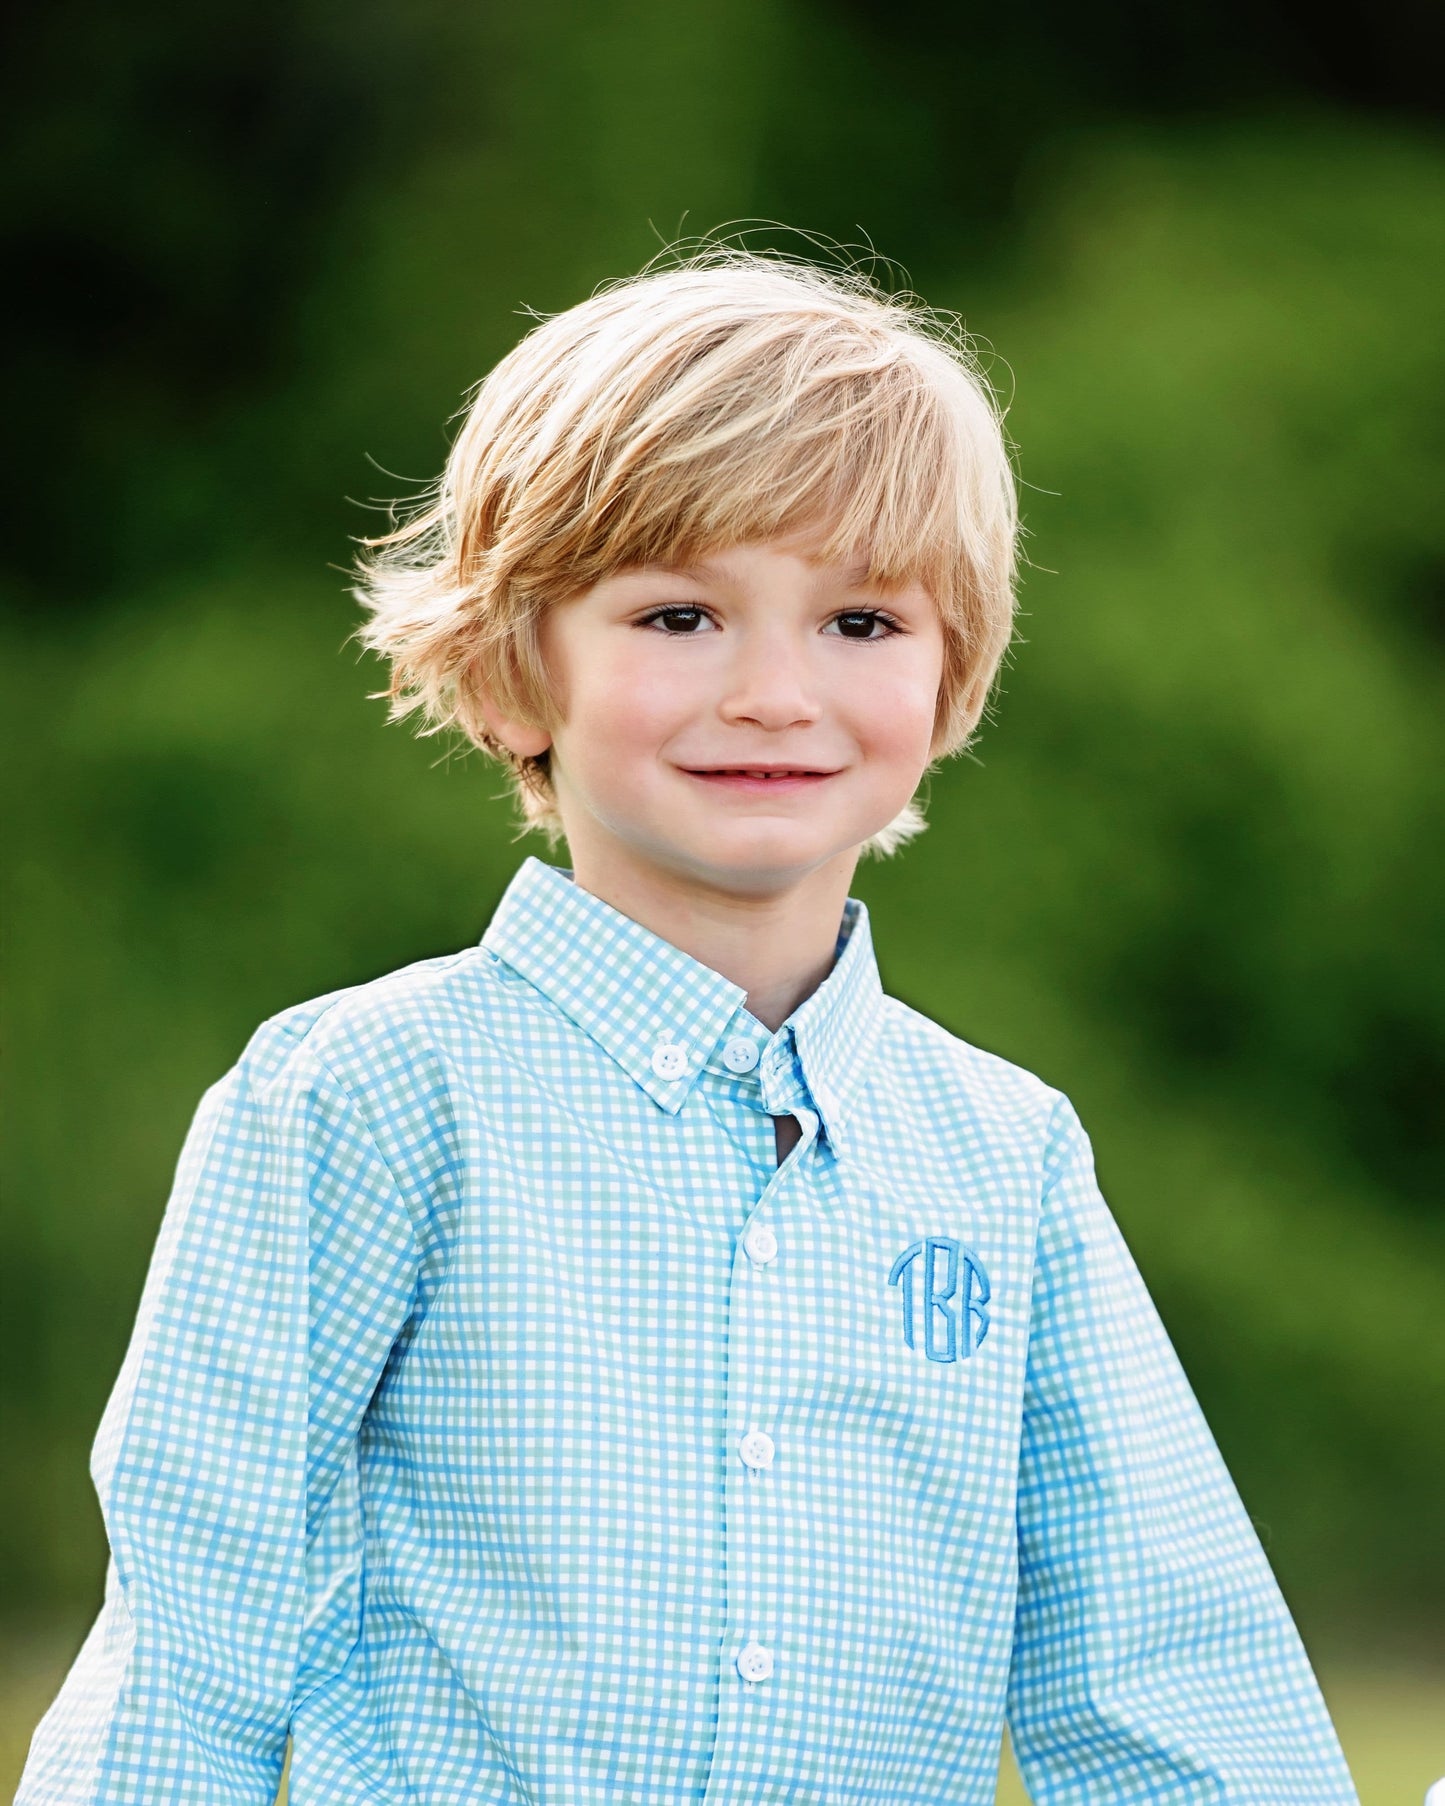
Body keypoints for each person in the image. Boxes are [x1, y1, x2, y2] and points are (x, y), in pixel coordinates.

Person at [19, 252, 1360, 1804]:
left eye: (859, 620)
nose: (776, 691)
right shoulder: (364, 1098)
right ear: (513, 675)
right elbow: (191, 1647)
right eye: (678, 614)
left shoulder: (1009, 1157)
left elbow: (1169, 1681)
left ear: (950, 680)